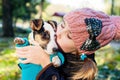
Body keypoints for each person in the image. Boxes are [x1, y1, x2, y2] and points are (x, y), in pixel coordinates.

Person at [16, 8, 120, 80]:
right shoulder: (54, 46)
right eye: (62, 25)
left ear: (79, 50)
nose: (58, 33)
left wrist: (46, 62)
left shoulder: (81, 72)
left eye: (69, 36)